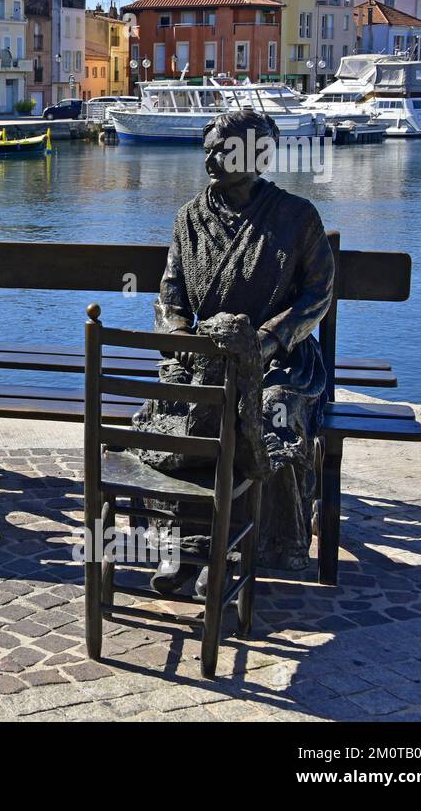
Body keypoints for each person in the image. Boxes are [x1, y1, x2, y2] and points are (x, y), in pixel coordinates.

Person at [147, 109, 335, 593]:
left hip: (279, 361)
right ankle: (187, 543)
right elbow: (170, 295)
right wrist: (180, 340)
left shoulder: (296, 217)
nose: (210, 158)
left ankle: (248, 547)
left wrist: (268, 340)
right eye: (207, 149)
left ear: (258, 155)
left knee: (268, 416)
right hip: (204, 358)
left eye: (223, 150)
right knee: (185, 412)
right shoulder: (189, 218)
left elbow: (317, 295)